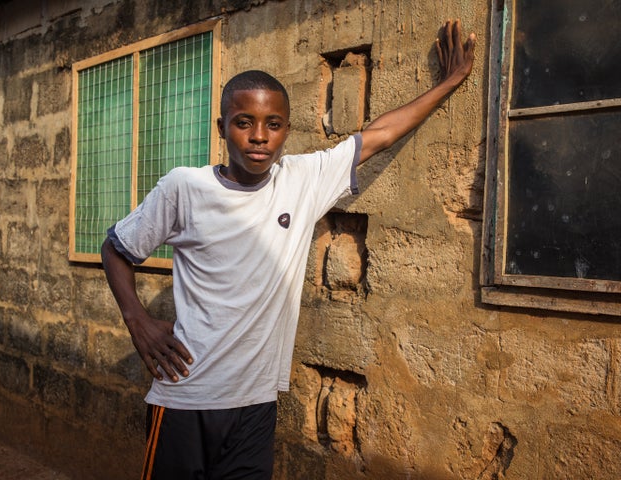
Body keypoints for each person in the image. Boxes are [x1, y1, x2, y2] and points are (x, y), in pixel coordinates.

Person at [101, 19, 476, 480]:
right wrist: (138, 321)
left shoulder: (302, 180)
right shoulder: (186, 187)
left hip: (256, 404)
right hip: (187, 397)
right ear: (222, 128)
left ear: (286, 130)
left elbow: (379, 135)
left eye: (272, 125)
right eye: (244, 123)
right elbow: (116, 247)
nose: (259, 136)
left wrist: (451, 82)